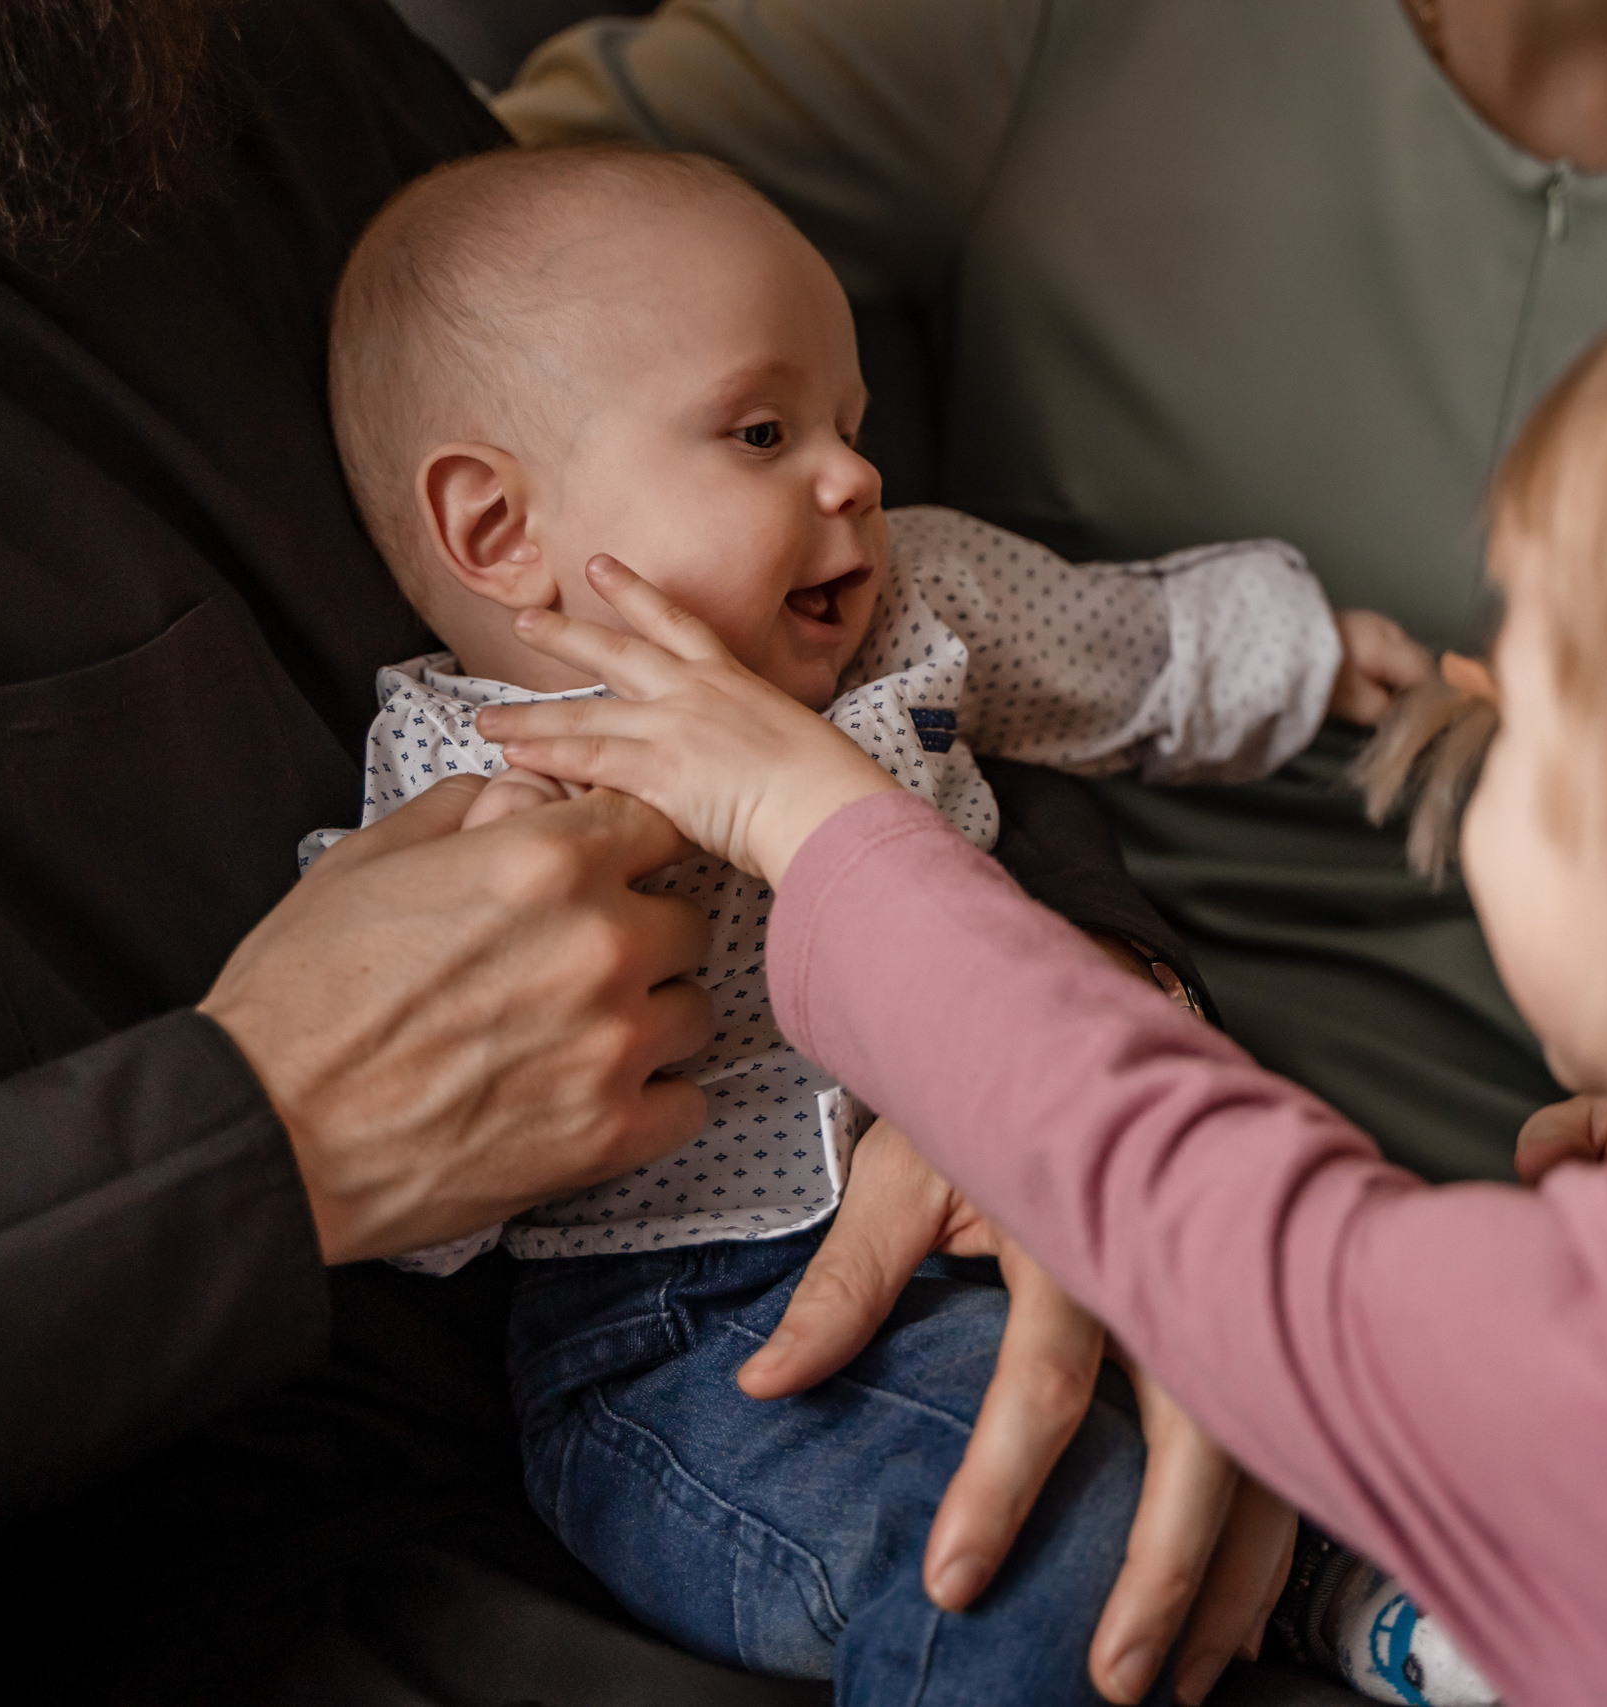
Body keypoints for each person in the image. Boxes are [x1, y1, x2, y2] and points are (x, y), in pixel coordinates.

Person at [0, 1, 1285, 1700]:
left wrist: (1096, 1034)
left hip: (909, 1308)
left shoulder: (234, 60)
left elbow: (875, 645)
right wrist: (255, 1142)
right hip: (220, 1592)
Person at [472, 192, 1607, 1705]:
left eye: (1534, 707)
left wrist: (811, 816)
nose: (1473, 703)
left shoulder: (1604, 1366)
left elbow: (1158, 1162)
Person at [312, 143, 1433, 1705]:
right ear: (501, 530)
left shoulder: (914, 613)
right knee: (1026, 1521)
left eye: (849, 428)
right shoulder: (478, 775)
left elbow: (1133, 652)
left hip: (1011, 1208)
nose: (849, 479)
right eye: (761, 431)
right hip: (701, 1347)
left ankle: (1370, 1596)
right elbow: (401, 1137)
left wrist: (1309, 656)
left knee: (1363, 1339)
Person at [492, 0, 1607, 1183]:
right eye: (767, 443)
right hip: (1043, 1040)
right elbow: (431, 288)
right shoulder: (1047, 33)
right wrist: (1007, 1030)